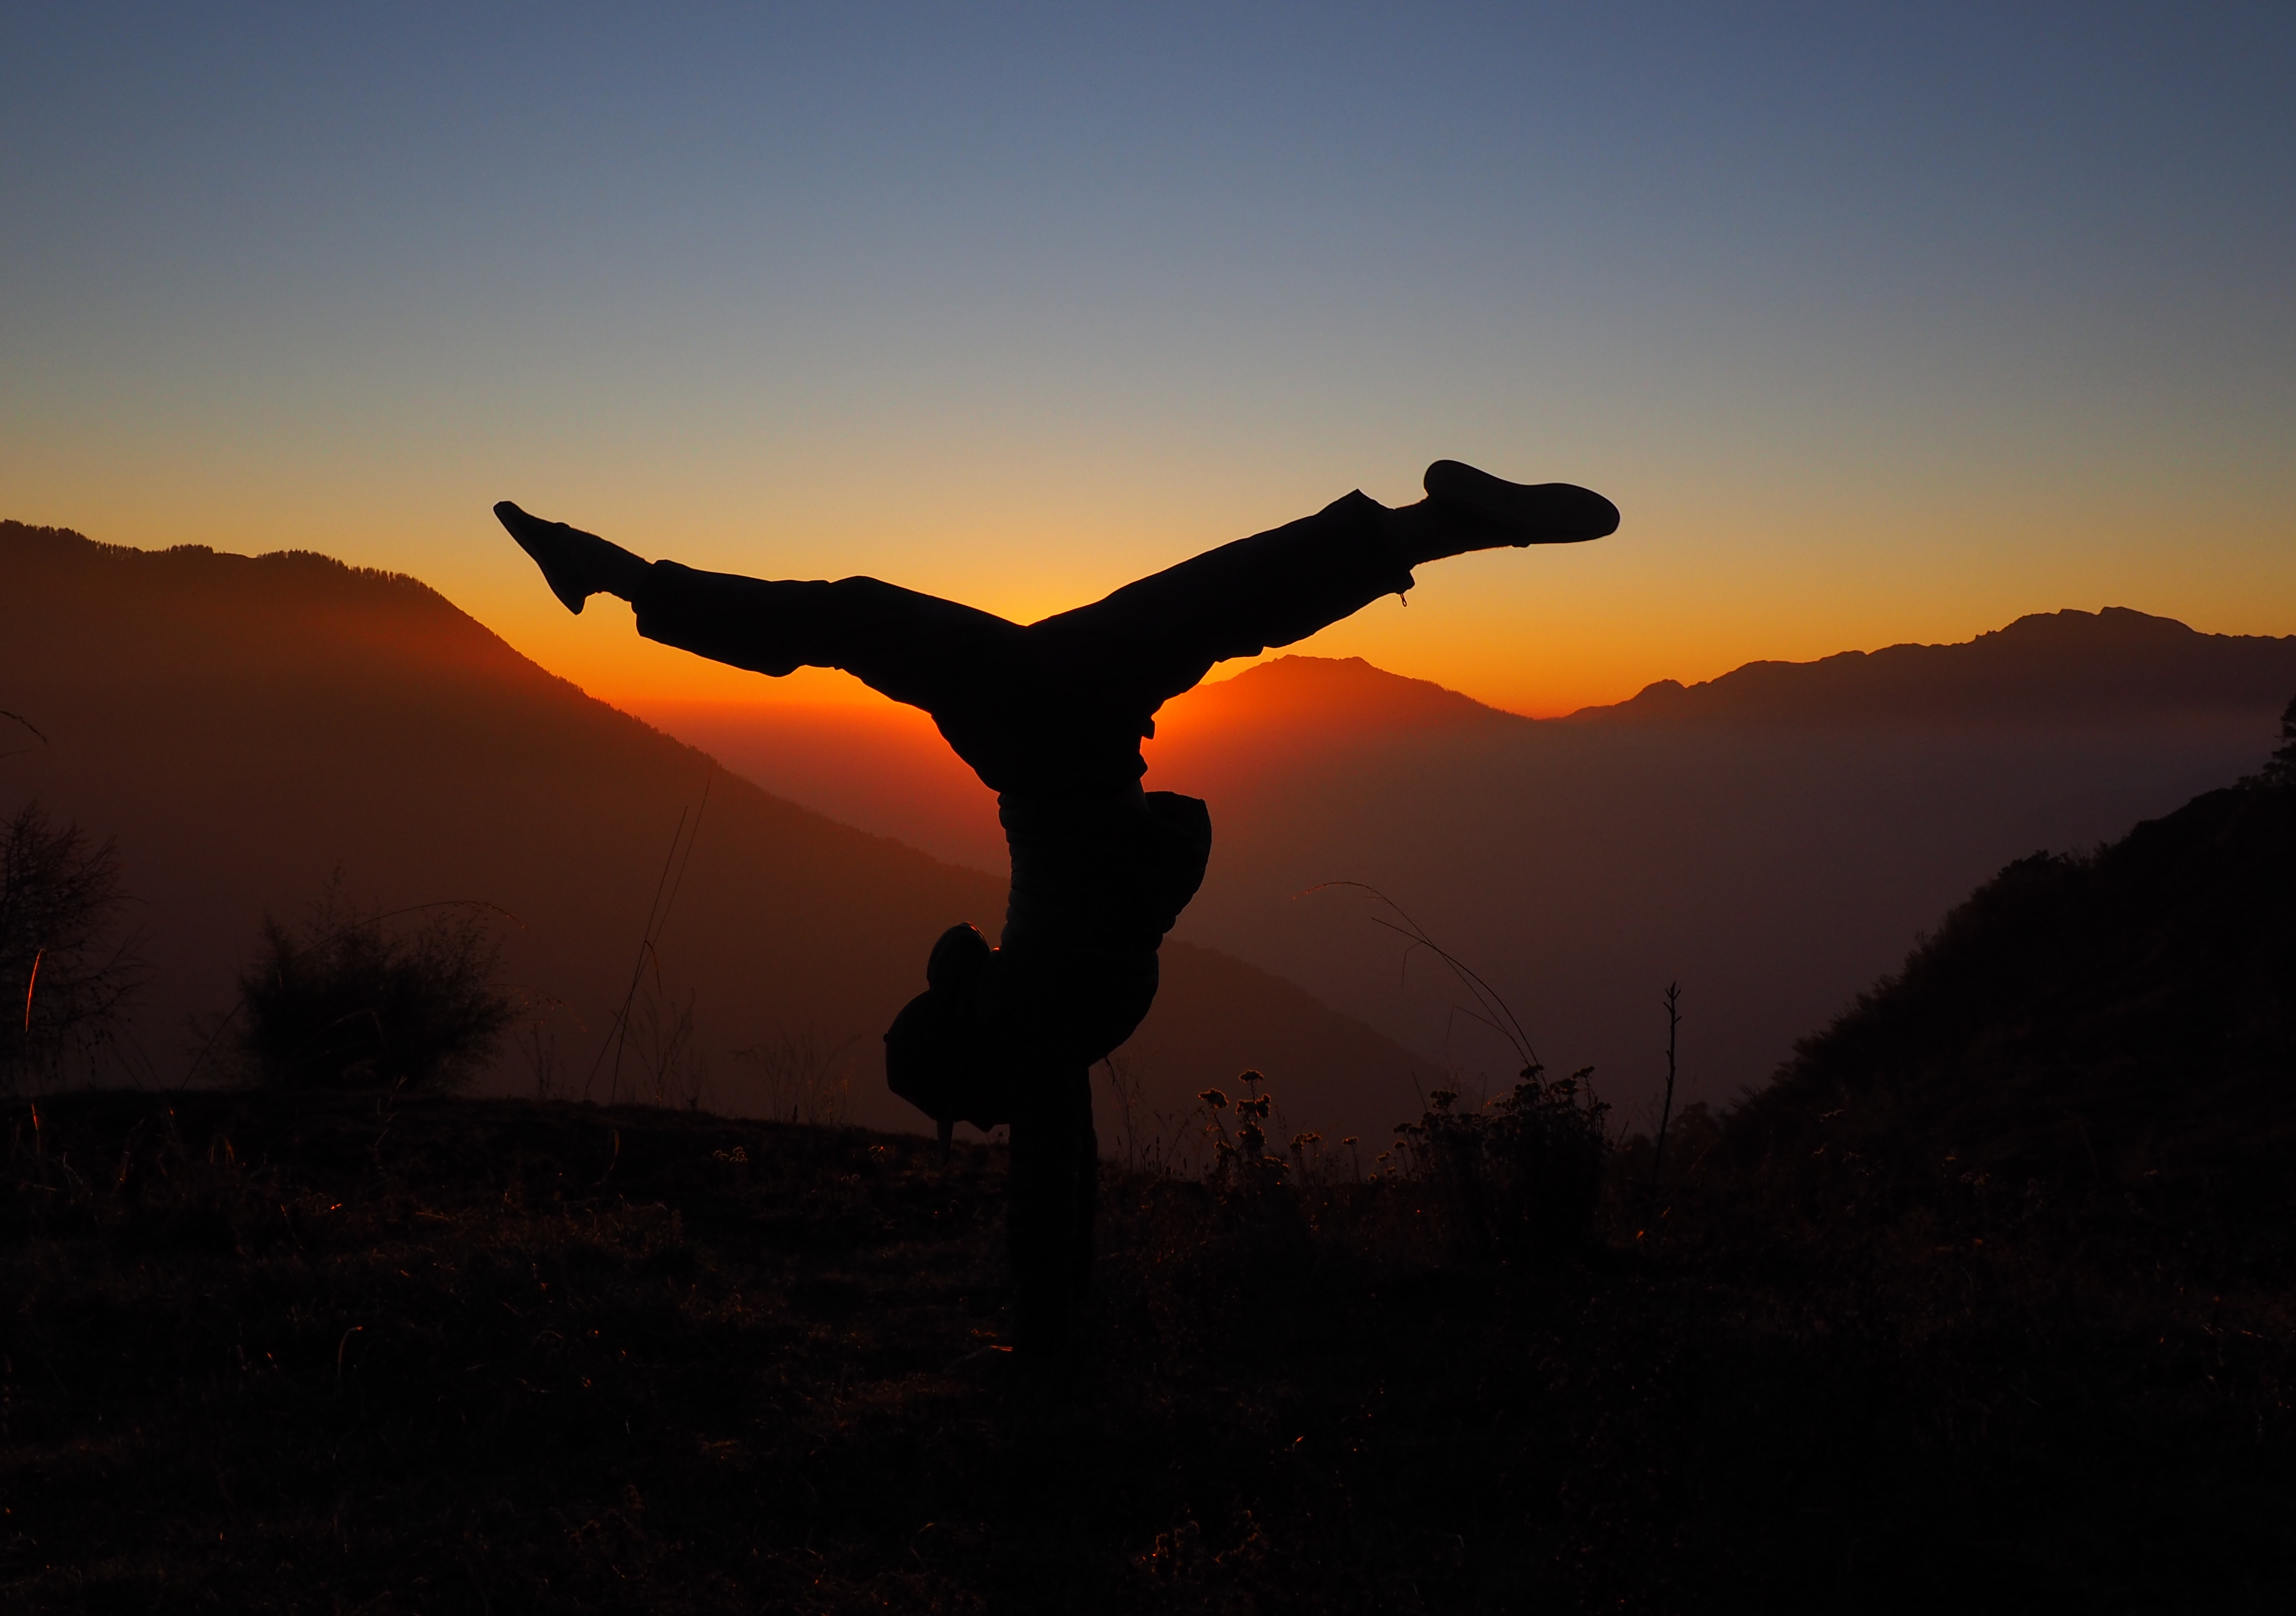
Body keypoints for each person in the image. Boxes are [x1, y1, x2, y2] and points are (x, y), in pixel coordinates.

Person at [494, 461, 1618, 1354]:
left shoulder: (1066, 1032)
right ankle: (617, 576)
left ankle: (1443, 529)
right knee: (859, 616)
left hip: (1087, 738)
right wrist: (1041, 1336)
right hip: (1046, 740)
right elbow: (1042, 1182)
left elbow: (1062, 1163)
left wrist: (1056, 1320)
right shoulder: (1032, 1031)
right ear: (968, 1047)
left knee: (1207, 608)